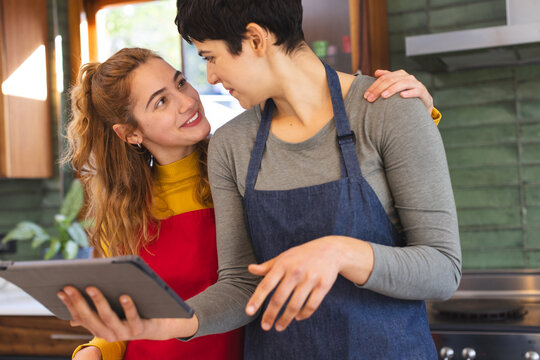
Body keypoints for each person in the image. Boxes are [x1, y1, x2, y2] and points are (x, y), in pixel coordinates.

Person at [61, 45, 440, 359]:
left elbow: (339, 175)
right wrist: (92, 352)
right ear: (129, 133)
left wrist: (414, 115)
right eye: (161, 102)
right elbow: (122, 319)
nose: (187, 100)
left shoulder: (243, 166)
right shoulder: (121, 213)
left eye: (180, 82)